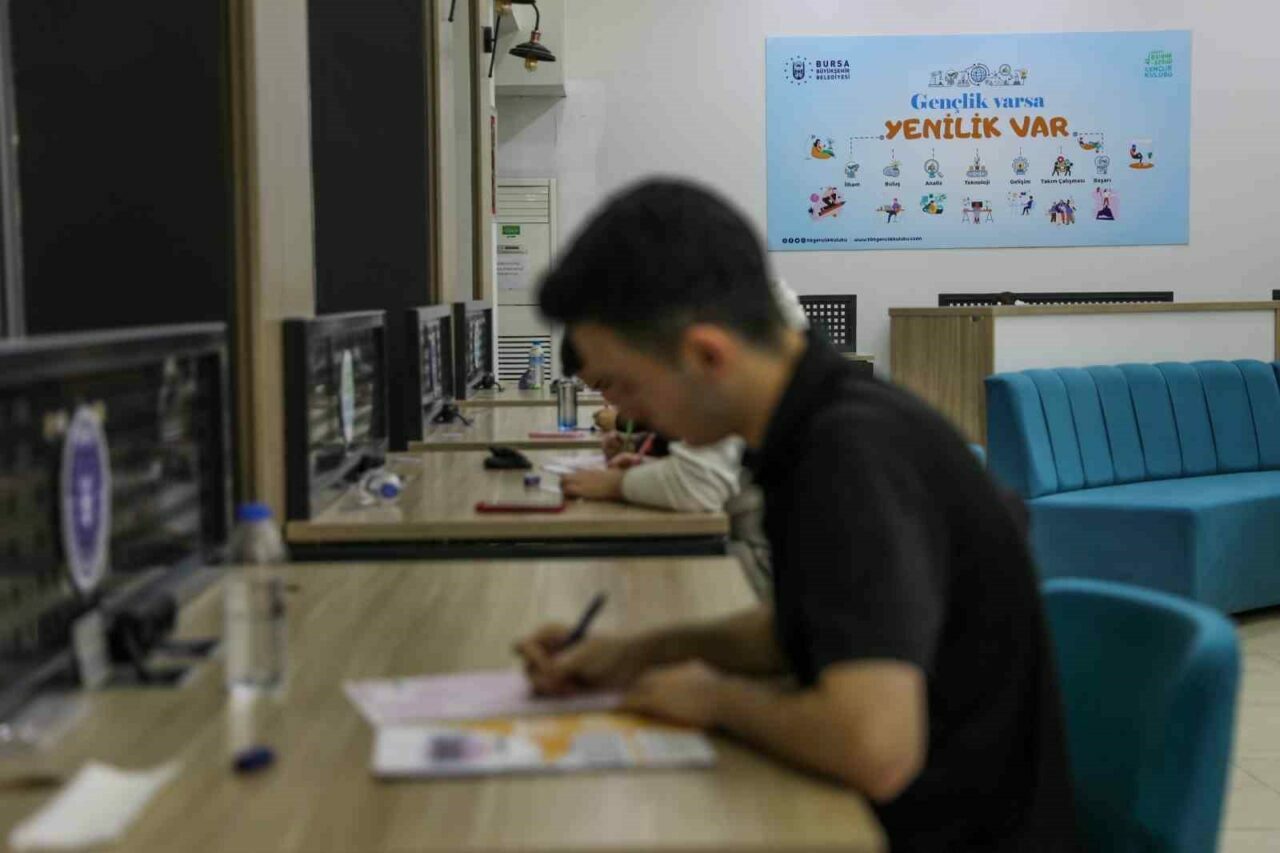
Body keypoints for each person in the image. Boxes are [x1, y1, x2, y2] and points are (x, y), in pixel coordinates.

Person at [517, 179, 1079, 852]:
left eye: (627, 385)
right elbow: (809, 625)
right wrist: (634, 653)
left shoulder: (849, 453)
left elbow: (874, 747)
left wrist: (713, 698)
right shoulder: (815, 421)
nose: (629, 414)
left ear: (706, 354)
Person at [560, 281, 809, 598]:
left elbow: (697, 487)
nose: (621, 404)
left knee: (633, 583)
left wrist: (616, 484)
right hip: (757, 549)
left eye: (615, 379)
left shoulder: (724, 352)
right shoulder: (747, 331)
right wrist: (645, 466)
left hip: (764, 564)